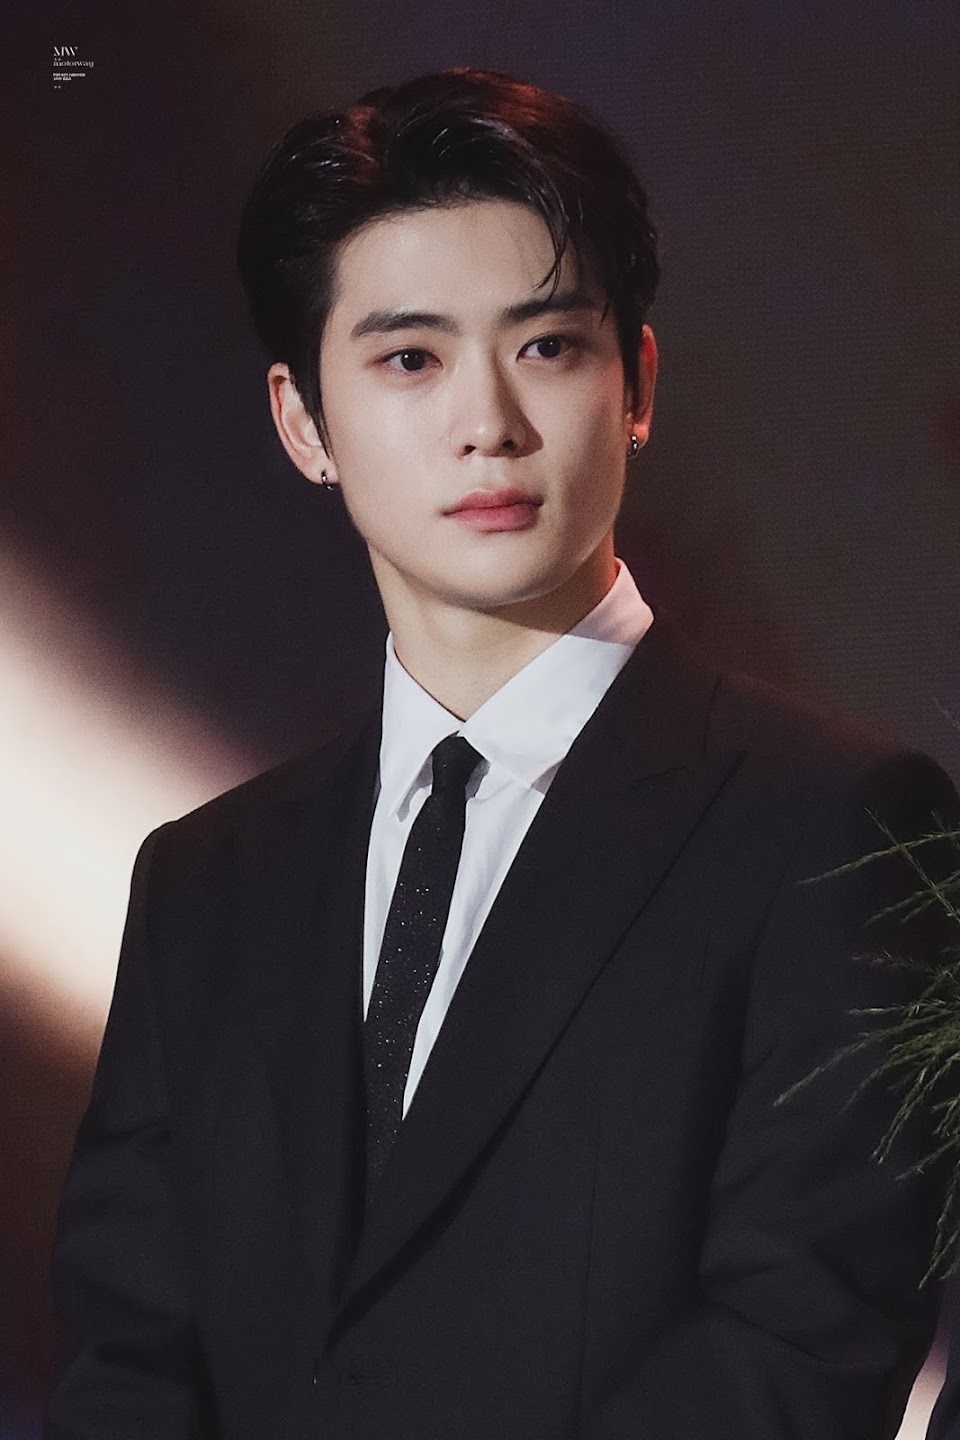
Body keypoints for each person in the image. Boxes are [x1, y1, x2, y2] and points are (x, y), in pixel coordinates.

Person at [45, 66, 960, 1440]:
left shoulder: (837, 828)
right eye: (410, 359)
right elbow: (127, 1358)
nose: (490, 423)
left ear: (637, 382)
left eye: (547, 346)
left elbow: (801, 1343)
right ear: (304, 423)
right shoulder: (206, 884)